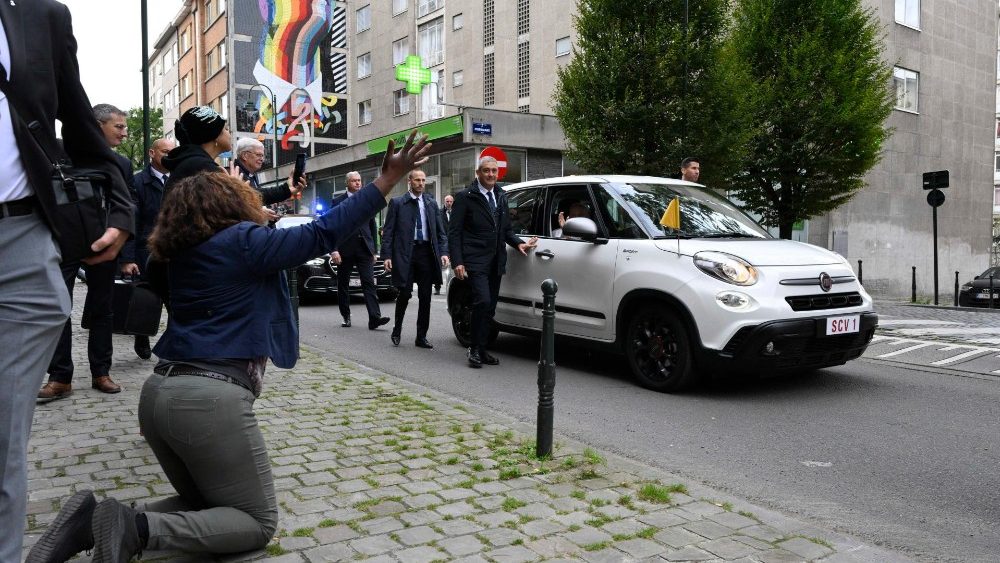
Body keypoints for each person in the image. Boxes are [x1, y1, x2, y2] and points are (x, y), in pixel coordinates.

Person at [27, 131, 432, 562]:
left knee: (210, 506)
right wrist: (385, 181)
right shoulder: (241, 243)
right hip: (208, 399)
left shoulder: (177, 252)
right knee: (255, 522)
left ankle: (89, 522)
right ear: (230, 203)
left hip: (159, 392)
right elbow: (320, 234)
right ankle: (133, 527)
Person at [0, 1, 133, 559]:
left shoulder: (41, 17)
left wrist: (121, 212)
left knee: (4, 444)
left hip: (23, 240)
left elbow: (78, 125)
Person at [38, 104, 132, 401]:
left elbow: (127, 208)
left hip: (103, 247)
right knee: (58, 309)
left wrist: (126, 253)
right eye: (118, 126)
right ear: (97, 124)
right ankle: (60, 377)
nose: (124, 132)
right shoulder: (54, 151)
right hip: (60, 245)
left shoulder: (120, 163)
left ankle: (101, 372)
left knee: (103, 309)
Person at [448, 156, 537, 368]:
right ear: (478, 173)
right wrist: (457, 261)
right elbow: (454, 232)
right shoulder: (465, 197)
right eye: (486, 171)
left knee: (490, 308)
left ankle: (481, 348)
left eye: (494, 171)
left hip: (496, 259)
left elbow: (505, 229)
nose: (490, 175)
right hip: (475, 260)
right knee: (483, 301)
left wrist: (518, 244)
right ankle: (474, 348)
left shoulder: (501, 195)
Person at [121, 137, 176, 360]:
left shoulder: (180, 180)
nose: (169, 156)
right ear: (152, 153)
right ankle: (141, 336)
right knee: (146, 300)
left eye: (173, 152)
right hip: (147, 251)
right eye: (165, 151)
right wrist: (127, 257)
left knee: (176, 301)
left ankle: (174, 343)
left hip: (174, 249)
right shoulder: (137, 182)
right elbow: (131, 221)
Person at [381, 170, 449, 348]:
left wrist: (443, 252)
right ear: (409, 181)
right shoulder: (397, 203)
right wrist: (387, 255)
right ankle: (397, 329)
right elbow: (388, 232)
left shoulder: (431, 203)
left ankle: (421, 336)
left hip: (426, 253)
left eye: (423, 180)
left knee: (425, 296)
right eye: (417, 180)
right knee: (404, 293)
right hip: (405, 254)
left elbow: (441, 232)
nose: (420, 183)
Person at [330, 171, 391, 330]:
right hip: (345, 249)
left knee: (369, 283)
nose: (358, 183)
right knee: (343, 284)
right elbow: (332, 228)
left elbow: (372, 226)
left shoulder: (367, 200)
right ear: (347, 183)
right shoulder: (337, 202)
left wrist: (374, 250)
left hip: (365, 248)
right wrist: (334, 250)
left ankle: (374, 318)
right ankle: (346, 316)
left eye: (359, 181)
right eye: (354, 181)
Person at [233, 136, 300, 206]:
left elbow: (257, 197)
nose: (262, 159)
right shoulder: (234, 175)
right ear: (245, 155)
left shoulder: (250, 174)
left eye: (262, 156)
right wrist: (286, 189)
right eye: (258, 155)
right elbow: (255, 195)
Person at [435, 194, 454, 295]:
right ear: (444, 202)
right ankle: (437, 286)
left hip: (453, 242)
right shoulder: (439, 213)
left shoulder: (456, 212)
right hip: (442, 242)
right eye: (447, 201)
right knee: (439, 265)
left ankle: (451, 287)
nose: (449, 203)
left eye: (451, 201)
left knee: (453, 266)